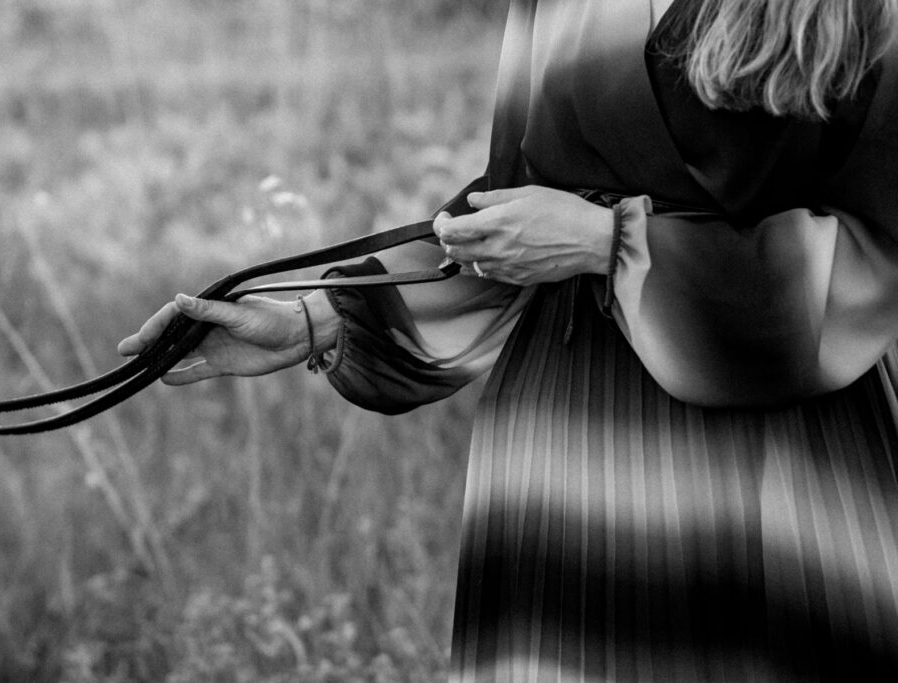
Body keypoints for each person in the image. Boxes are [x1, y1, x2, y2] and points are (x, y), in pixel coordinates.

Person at [119, 0, 898, 679]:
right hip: (556, 457)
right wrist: (315, 318)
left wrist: (608, 243)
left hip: (778, 458)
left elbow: (879, 257)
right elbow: (516, 210)